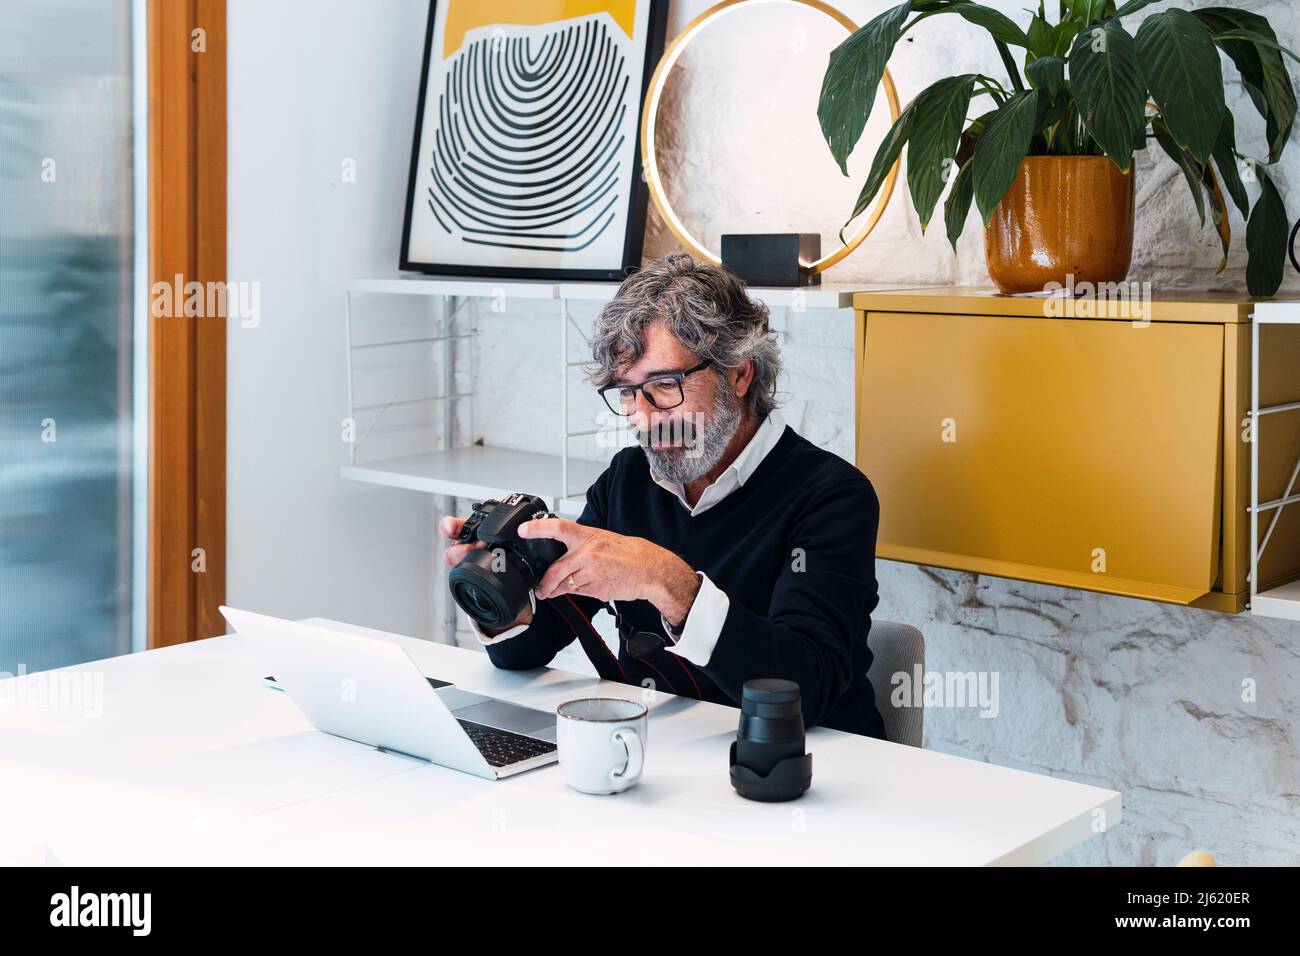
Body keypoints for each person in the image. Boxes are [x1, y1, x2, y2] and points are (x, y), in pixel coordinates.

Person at [439, 252, 886, 738]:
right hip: (659, 758)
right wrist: (503, 593)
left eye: (664, 385)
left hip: (802, 771)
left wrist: (667, 581)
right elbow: (524, 654)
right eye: (627, 392)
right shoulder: (627, 478)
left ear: (739, 372)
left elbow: (806, 689)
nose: (643, 418)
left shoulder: (833, 497)